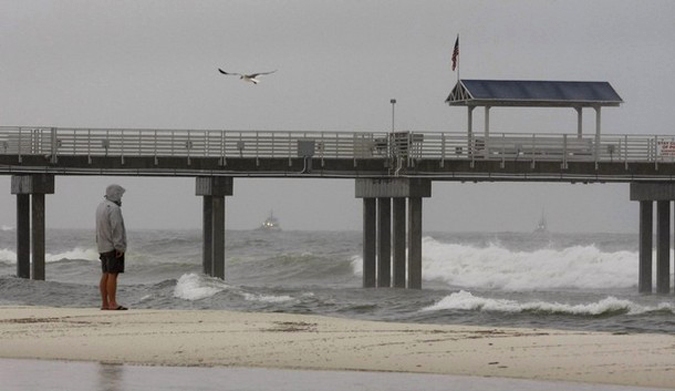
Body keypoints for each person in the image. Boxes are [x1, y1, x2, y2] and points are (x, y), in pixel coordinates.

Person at [96, 184, 128, 310]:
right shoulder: (114, 208)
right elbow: (116, 228)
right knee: (113, 274)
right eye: (120, 195)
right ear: (116, 194)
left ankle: (105, 303)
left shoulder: (101, 206)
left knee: (105, 274)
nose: (121, 198)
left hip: (102, 245)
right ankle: (113, 303)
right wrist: (119, 246)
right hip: (112, 246)